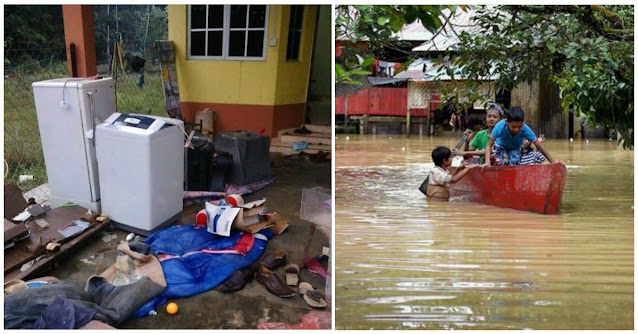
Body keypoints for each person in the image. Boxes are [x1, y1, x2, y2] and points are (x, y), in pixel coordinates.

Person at [485, 106, 559, 166]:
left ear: (522, 123)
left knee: (514, 164)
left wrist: (552, 161)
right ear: (507, 122)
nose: (516, 129)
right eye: (513, 127)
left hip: (516, 148)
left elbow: (539, 146)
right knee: (502, 162)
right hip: (500, 147)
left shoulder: (525, 129)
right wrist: (487, 163)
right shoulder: (499, 126)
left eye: (519, 126)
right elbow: (489, 146)